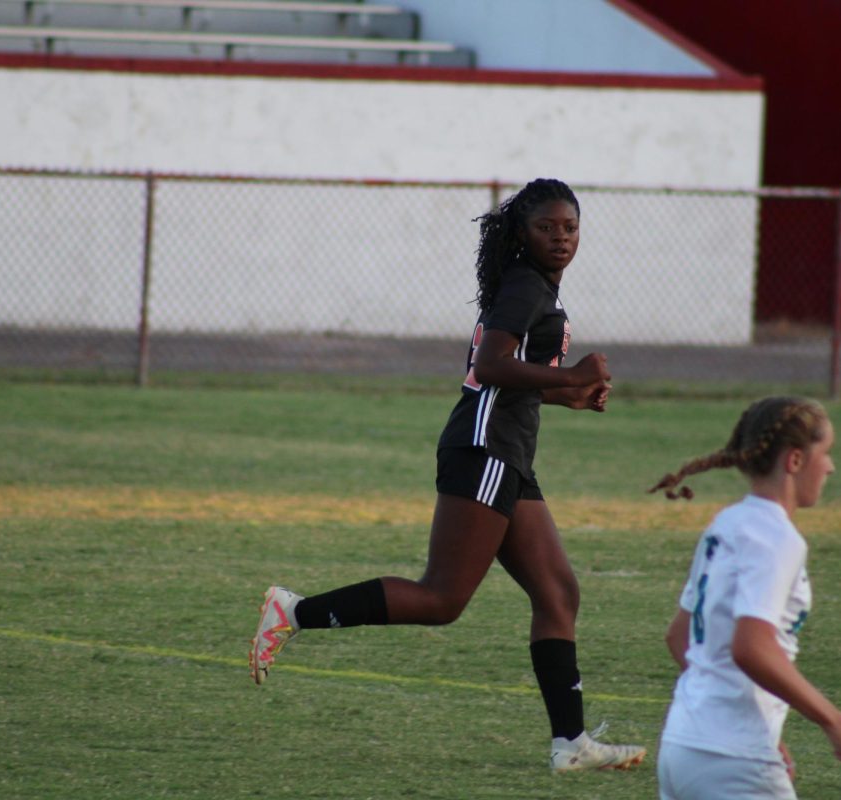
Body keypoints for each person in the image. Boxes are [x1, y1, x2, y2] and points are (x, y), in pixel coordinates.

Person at [248, 178, 646, 772]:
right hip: (484, 450)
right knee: (441, 598)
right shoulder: (523, 287)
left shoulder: (535, 287)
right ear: (522, 233)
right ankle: (293, 612)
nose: (561, 238)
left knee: (558, 591)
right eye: (547, 228)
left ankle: (570, 744)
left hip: (507, 454)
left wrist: (571, 397)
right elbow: (490, 367)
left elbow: (512, 378)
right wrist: (570, 376)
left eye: (570, 227)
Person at [652, 396, 841, 800]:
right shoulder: (777, 538)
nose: (831, 466)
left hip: (683, 744)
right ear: (795, 461)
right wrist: (831, 719)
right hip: (732, 760)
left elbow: (679, 637)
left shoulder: (726, 523)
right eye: (826, 453)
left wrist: (759, 731)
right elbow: (751, 647)